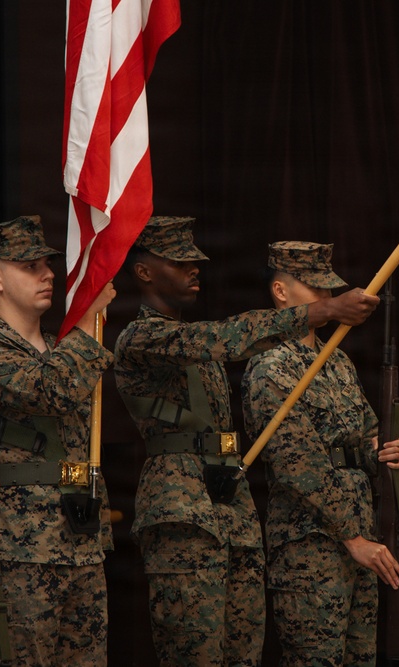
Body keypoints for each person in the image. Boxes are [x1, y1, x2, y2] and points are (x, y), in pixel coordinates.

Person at [113, 216, 380, 666]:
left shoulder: (196, 344)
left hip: (230, 508)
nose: (194, 269)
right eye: (179, 262)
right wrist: (326, 310)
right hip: (182, 510)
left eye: (196, 261)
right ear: (143, 271)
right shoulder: (142, 338)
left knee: (244, 654)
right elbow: (225, 338)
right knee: (195, 654)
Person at [0, 216, 116, 666]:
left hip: (81, 537)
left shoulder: (65, 350)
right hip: (20, 548)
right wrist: (88, 317)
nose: (48, 275)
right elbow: (49, 390)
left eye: (48, 264)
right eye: (30, 266)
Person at [240, 241, 399, 666]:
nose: (326, 296)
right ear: (281, 291)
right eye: (314, 287)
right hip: (310, 547)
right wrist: (353, 538)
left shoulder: (336, 360)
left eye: (328, 287)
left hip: (361, 539)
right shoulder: (271, 366)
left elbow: (363, 434)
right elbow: (297, 464)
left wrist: (383, 451)